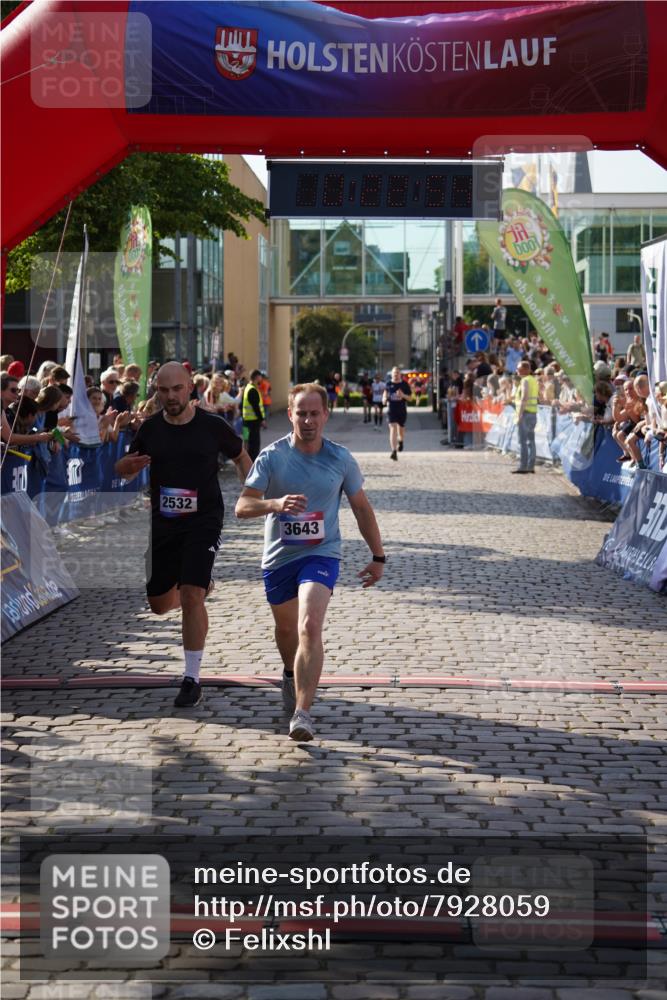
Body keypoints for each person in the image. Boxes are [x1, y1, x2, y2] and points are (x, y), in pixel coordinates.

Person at [235, 383, 385, 742]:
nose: (308, 420)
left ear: (325, 415)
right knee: (287, 631)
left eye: (314, 413)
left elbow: (362, 508)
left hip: (321, 554)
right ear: (290, 415)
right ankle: (290, 674)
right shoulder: (272, 457)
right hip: (279, 557)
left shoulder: (341, 458)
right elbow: (242, 506)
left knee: (309, 625)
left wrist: (378, 556)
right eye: (301, 413)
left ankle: (303, 713)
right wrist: (275, 504)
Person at [114, 362, 252, 709]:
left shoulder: (213, 426)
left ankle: (191, 679)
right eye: (164, 390)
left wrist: (252, 494)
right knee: (159, 605)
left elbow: (241, 457)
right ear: (156, 392)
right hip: (164, 523)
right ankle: (201, 586)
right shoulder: (150, 430)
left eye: (177, 389)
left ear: (190, 388)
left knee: (191, 596)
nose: (171, 396)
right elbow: (124, 468)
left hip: (204, 520)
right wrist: (125, 468)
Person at [512, 359, 539, 473]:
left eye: (519, 369)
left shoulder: (525, 381)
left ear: (526, 369)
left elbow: (524, 397)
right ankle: (530, 466)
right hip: (533, 413)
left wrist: (519, 414)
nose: (517, 371)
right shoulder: (533, 380)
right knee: (530, 441)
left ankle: (523, 466)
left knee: (522, 441)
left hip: (525, 414)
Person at [383, 366, 412, 460]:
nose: (395, 374)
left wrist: (403, 395)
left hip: (401, 410)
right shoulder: (388, 384)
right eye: (394, 373)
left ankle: (401, 441)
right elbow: (384, 395)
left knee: (401, 430)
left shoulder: (404, 384)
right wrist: (384, 399)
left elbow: (410, 398)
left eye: (397, 373)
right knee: (392, 428)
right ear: (391, 374)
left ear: (400, 374)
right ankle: (394, 451)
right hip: (391, 410)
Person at [241, 368, 267, 462]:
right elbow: (256, 407)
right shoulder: (252, 390)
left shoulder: (247, 388)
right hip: (253, 422)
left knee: (247, 442)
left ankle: (247, 462)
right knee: (254, 444)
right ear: (257, 377)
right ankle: (252, 463)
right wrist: (262, 420)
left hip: (246, 420)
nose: (261, 379)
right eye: (260, 377)